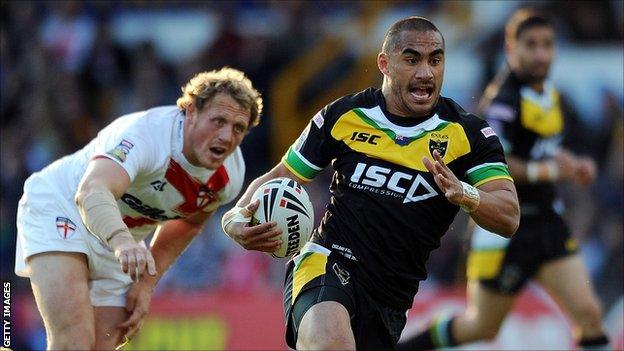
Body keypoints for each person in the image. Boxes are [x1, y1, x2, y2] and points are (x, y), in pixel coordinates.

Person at [222, 16, 520, 350]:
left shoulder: (469, 135)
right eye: (412, 60)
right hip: (327, 261)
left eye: (435, 60)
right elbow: (282, 175)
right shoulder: (345, 114)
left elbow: (509, 216)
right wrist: (234, 217)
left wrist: (465, 193)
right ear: (385, 63)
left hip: (391, 298)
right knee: (332, 344)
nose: (426, 73)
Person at [397, 9, 611, 350]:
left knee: (589, 314)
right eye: (531, 45)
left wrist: (572, 162)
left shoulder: (548, 94)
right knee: (481, 326)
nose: (541, 54)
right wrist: (554, 171)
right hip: (505, 225)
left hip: (546, 222)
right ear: (511, 49)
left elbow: (543, 149)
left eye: (547, 45)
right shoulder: (503, 101)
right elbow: (500, 162)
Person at [14, 67, 268, 349]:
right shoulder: (146, 135)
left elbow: (189, 222)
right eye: (218, 121)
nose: (226, 136)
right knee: (74, 341)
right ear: (191, 110)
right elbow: (92, 191)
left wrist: (147, 283)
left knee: (103, 345)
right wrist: (122, 242)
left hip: (121, 241)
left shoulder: (229, 176)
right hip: (62, 206)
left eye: (238, 128)